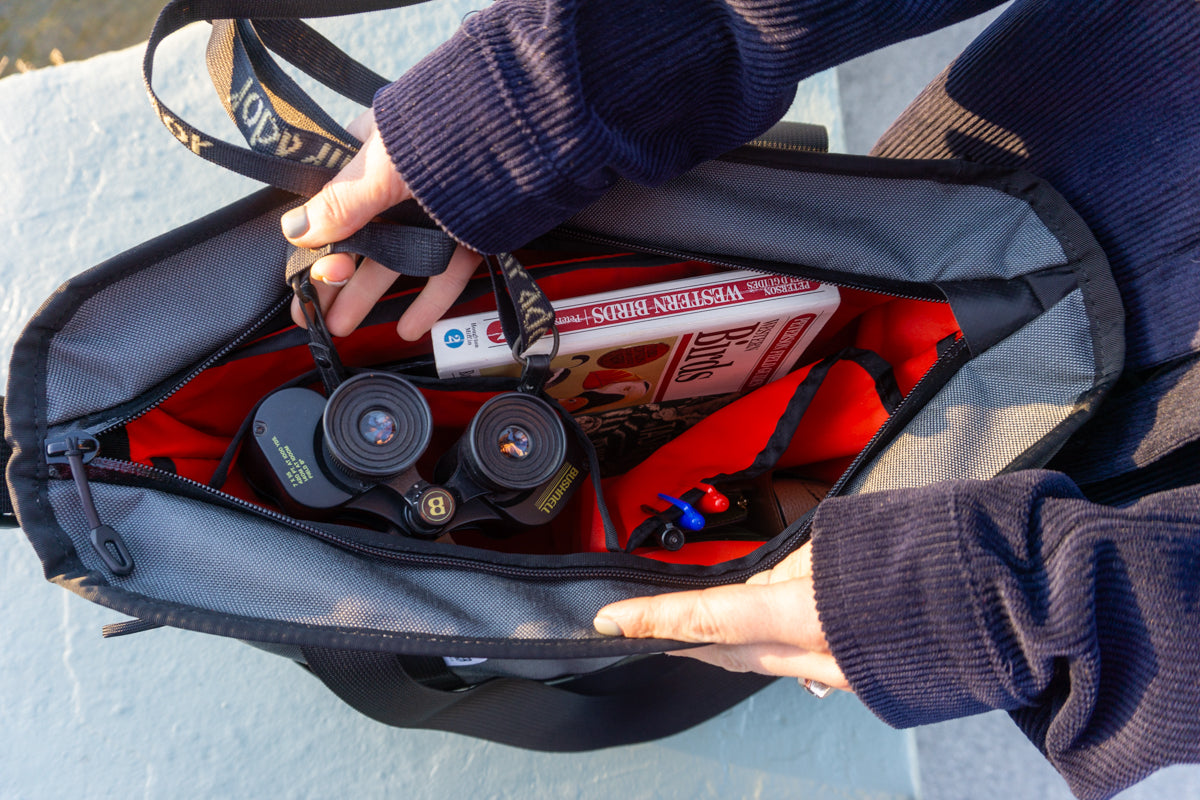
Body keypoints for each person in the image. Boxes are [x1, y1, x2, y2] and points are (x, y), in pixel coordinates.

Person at [279, 1, 1200, 797]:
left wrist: (1025, 607)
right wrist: (538, 98)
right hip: (1050, 177)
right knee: (843, 314)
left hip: (1039, 232)